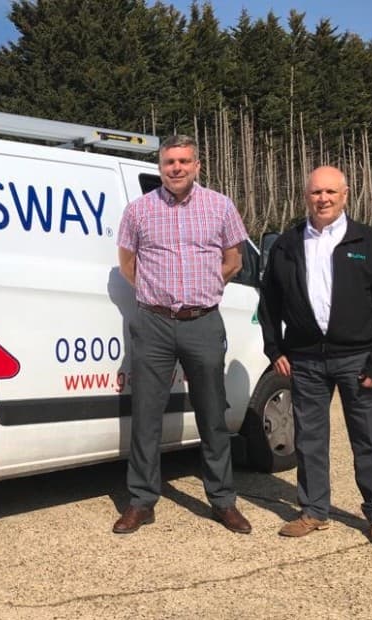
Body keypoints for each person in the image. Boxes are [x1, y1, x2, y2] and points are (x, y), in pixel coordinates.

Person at [114, 134, 252, 535]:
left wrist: (205, 288)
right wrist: (154, 294)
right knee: (146, 416)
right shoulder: (139, 210)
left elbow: (233, 260)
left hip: (202, 321)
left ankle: (223, 501)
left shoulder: (220, 206)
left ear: (197, 166)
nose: (176, 168)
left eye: (183, 161)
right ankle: (141, 501)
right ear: (160, 167)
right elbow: (127, 263)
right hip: (154, 323)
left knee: (212, 413)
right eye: (169, 162)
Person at [258, 165, 372, 545]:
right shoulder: (287, 245)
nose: (323, 199)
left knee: (368, 439)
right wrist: (274, 348)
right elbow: (269, 302)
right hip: (305, 360)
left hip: (359, 359)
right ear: (306, 196)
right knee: (309, 440)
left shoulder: (368, 241)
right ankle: (313, 510)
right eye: (316, 192)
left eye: (330, 192)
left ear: (345, 195)